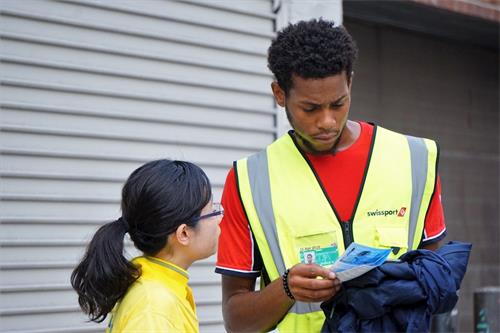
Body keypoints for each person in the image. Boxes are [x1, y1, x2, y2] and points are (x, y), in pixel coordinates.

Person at [215, 19, 446, 332]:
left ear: (349, 82)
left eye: (338, 104)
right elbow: (236, 321)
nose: (327, 121)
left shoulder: (416, 160)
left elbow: (438, 286)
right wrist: (285, 288)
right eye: (310, 108)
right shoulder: (250, 180)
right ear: (279, 94)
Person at [71, 159, 222, 332]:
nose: (219, 218)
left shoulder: (155, 285)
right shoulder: (153, 308)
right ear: (184, 233)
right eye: (212, 211)